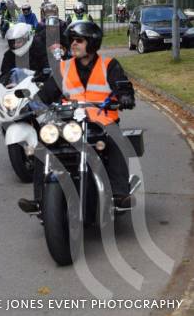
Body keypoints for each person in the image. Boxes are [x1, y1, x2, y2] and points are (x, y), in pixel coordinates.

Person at [18, 20, 136, 213]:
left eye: (79, 40)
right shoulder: (63, 68)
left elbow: (123, 85)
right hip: (68, 124)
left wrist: (124, 96)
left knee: (116, 141)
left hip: (101, 123)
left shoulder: (109, 65)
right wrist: (30, 107)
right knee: (43, 145)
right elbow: (46, 94)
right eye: (72, 40)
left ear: (92, 42)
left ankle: (119, 195)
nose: (73, 44)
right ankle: (40, 201)